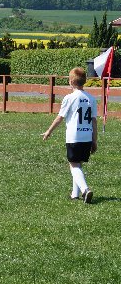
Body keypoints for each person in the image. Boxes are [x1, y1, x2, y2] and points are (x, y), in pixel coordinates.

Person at [41, 67, 98, 204]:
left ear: (71, 81)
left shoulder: (70, 98)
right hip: (87, 136)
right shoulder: (91, 98)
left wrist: (49, 131)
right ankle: (74, 194)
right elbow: (94, 121)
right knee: (78, 164)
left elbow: (60, 117)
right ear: (84, 81)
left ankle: (85, 189)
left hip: (74, 136)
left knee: (73, 165)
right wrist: (94, 140)